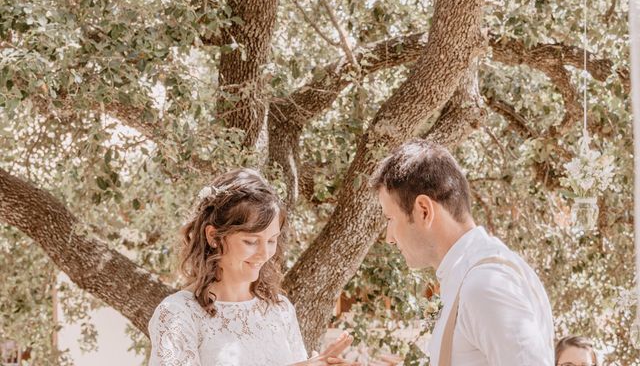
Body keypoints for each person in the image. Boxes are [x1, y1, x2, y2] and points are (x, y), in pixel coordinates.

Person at [370, 139, 555, 366]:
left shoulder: (485, 286)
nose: (389, 238)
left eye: (390, 219)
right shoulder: (472, 277)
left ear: (424, 211)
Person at [148, 168, 358, 366]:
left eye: (271, 240)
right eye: (251, 241)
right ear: (213, 236)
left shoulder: (280, 310)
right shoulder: (178, 314)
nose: (264, 254)